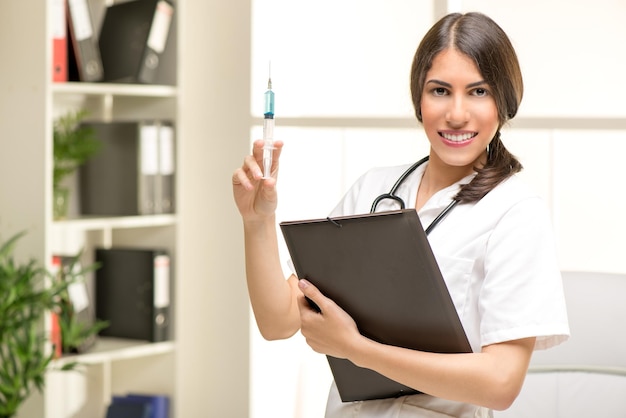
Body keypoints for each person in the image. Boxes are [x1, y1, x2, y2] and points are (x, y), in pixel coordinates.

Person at [232, 11, 569, 418]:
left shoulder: (514, 212)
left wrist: (356, 349)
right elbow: (279, 322)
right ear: (419, 98)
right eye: (440, 90)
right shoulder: (373, 189)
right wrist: (257, 222)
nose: (457, 113)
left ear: (505, 101)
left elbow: (500, 384)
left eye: (478, 92)